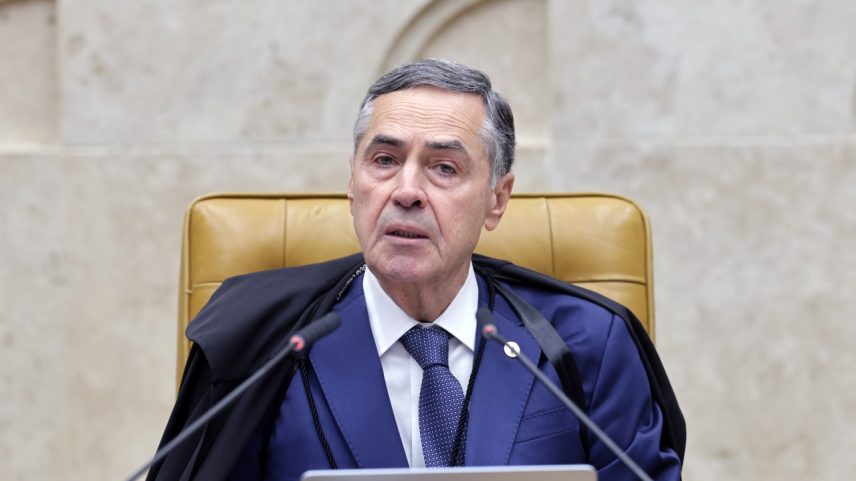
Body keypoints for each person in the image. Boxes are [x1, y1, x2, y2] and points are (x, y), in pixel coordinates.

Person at [147, 59, 685, 481]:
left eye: (444, 168)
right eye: (384, 160)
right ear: (353, 185)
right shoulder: (261, 346)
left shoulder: (589, 345)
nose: (406, 191)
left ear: (497, 200)